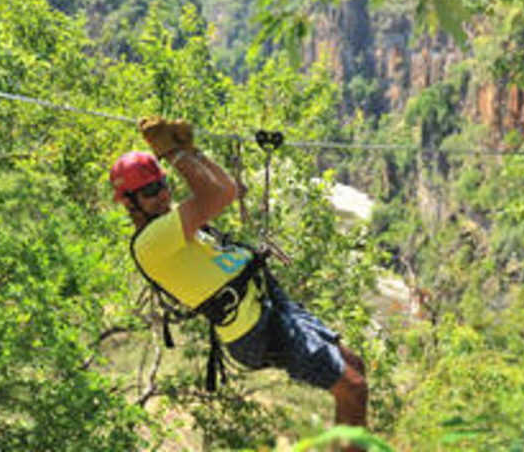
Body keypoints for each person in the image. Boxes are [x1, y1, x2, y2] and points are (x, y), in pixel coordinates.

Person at [109, 117, 368, 446]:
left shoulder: (170, 225)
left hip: (269, 306)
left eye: (163, 185)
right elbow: (218, 194)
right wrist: (173, 154)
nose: (162, 195)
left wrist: (194, 152)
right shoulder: (152, 242)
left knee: (354, 369)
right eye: (149, 191)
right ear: (129, 202)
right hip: (254, 326)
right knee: (353, 387)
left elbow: (229, 189)